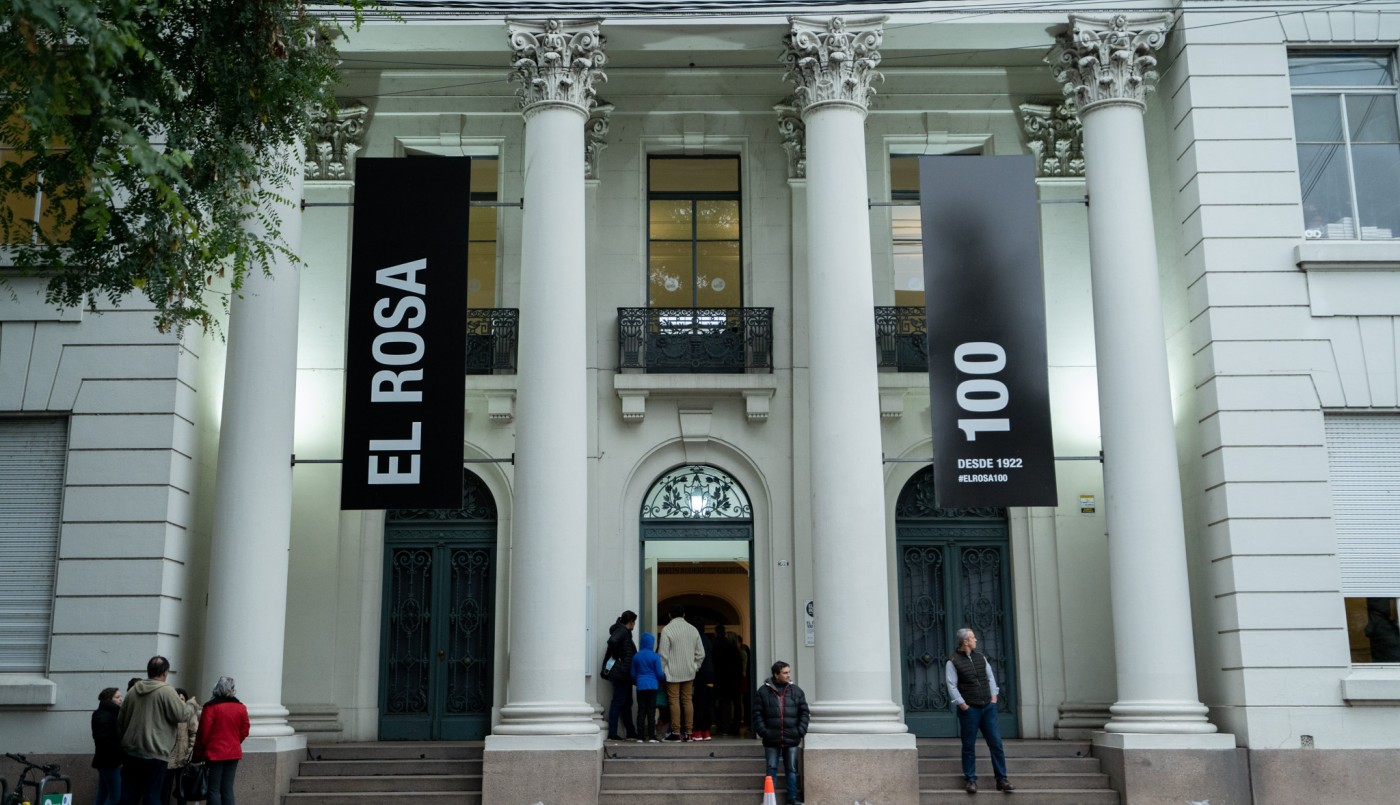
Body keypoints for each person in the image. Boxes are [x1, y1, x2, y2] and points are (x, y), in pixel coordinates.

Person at [118, 656, 197, 805]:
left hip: (131, 752)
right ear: (165, 672)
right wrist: (191, 704)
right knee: (152, 795)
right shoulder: (167, 691)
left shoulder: (133, 691)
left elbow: (120, 722)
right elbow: (181, 715)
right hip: (156, 753)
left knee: (129, 796)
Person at [945, 628, 1014, 794]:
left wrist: (994, 698)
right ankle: (970, 780)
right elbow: (951, 685)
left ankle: (1002, 779)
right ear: (965, 642)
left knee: (996, 744)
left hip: (987, 708)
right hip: (970, 710)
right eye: (973, 638)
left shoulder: (981, 657)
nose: (976, 640)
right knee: (968, 745)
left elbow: (990, 678)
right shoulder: (952, 661)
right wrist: (963, 705)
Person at [753, 660, 809, 805]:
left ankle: (792, 799)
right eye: (785, 673)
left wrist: (800, 731)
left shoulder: (796, 691)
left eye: (789, 672)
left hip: (792, 737)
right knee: (771, 769)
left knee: (791, 769)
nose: (788, 675)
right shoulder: (763, 692)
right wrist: (764, 731)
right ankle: (770, 800)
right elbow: (757, 713)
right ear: (776, 675)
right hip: (771, 738)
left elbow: (804, 712)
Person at [193, 676, 250, 805]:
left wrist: (198, 752)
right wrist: (235, 741)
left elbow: (203, 733)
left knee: (213, 789)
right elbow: (245, 730)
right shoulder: (241, 707)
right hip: (233, 752)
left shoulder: (211, 707)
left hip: (215, 753)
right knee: (227, 788)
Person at [658, 604, 705, 741]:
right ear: (684, 615)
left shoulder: (667, 630)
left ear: (669, 615)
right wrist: (695, 666)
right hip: (689, 672)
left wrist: (662, 672)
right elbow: (701, 653)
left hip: (672, 672)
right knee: (687, 701)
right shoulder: (693, 630)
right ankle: (690, 732)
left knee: (674, 702)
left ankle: (676, 732)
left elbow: (663, 655)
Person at [159, 688, 200, 805]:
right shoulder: (168, 713)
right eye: (178, 699)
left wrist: (190, 751)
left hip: (183, 758)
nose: (180, 701)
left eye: (182, 699)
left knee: (182, 791)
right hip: (168, 759)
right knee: (165, 790)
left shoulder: (189, 714)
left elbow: (194, 733)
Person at [605, 609, 639, 741]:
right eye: (634, 622)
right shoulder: (622, 631)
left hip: (624, 673)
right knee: (619, 702)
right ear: (630, 622)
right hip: (621, 673)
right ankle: (612, 733)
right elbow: (612, 641)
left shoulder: (624, 631)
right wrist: (618, 655)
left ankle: (630, 731)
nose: (634, 625)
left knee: (626, 702)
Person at [92, 687, 125, 805]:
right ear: (108, 700)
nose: (121, 699)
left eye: (121, 696)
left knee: (102, 794)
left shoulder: (104, 713)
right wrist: (120, 756)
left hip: (105, 760)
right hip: (109, 761)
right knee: (115, 796)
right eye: (117, 697)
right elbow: (105, 741)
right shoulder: (105, 715)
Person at [631, 631, 664, 742]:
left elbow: (633, 674)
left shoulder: (636, 656)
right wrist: (663, 680)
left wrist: (638, 681)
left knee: (641, 711)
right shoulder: (655, 656)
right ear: (651, 643)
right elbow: (659, 674)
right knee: (651, 711)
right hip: (652, 686)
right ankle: (651, 736)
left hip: (640, 686)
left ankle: (640, 736)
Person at [691, 615, 716, 740]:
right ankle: (706, 731)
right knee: (707, 704)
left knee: (698, 704)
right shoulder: (708, 640)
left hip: (699, 675)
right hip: (710, 676)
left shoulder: (695, 639)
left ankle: (697, 731)